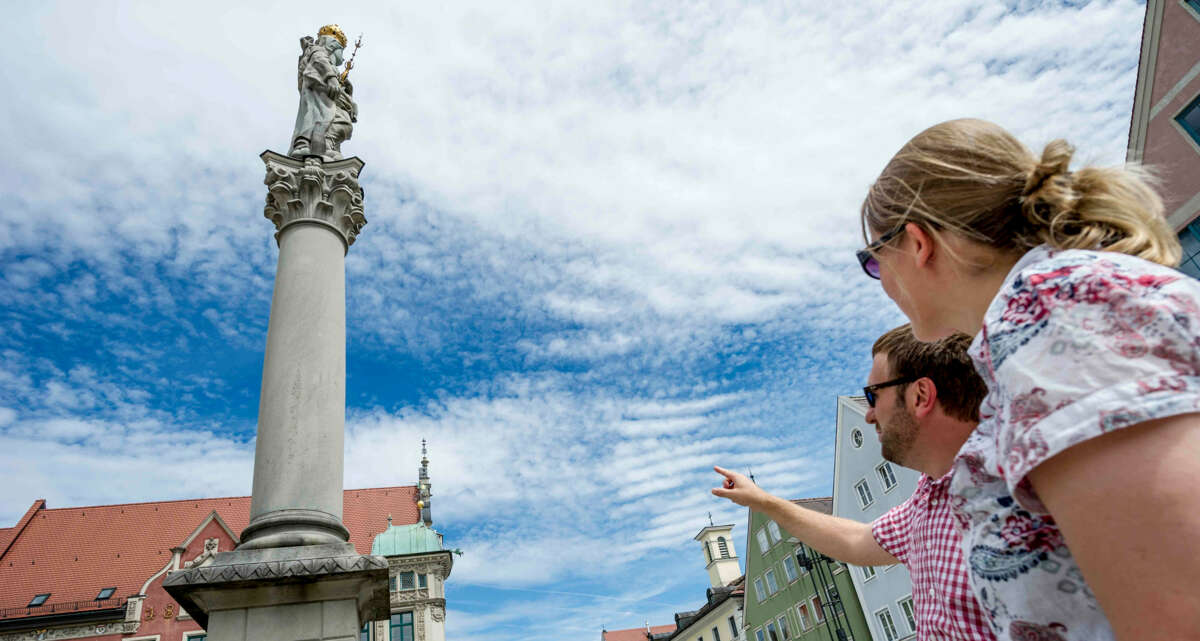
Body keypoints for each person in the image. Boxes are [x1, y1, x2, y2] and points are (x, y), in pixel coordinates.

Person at [856, 118, 1200, 640]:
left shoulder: (1053, 318)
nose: (881, 282)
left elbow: (1179, 611)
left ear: (917, 243)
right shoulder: (1038, 323)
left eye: (874, 261)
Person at [713, 326, 994, 641]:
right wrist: (762, 501)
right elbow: (856, 540)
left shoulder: (1014, 490)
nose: (869, 415)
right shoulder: (927, 498)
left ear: (921, 396)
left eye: (873, 395)